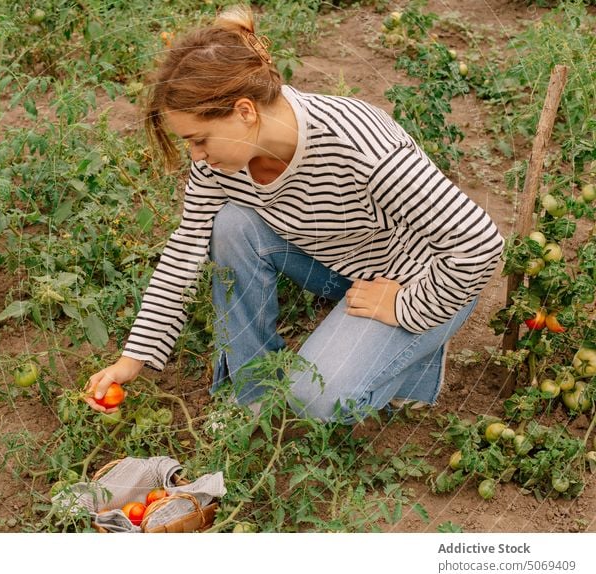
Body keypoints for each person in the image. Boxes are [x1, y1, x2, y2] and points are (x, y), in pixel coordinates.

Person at [84, 6, 504, 424]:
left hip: (414, 273)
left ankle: (414, 355)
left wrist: (406, 305)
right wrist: (131, 359)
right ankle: (254, 391)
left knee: (318, 401)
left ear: (244, 112)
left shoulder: (359, 144)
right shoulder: (220, 163)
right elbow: (185, 248)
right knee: (230, 224)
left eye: (199, 140)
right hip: (341, 263)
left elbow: (480, 245)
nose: (196, 156)